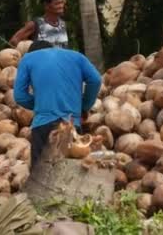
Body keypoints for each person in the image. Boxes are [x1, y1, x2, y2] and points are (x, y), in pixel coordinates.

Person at [13, 40, 101, 172]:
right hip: (71, 122)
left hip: (43, 124)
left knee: (40, 172)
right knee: (70, 171)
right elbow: (96, 80)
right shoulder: (77, 56)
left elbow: (19, 95)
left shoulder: (28, 58)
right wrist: (84, 106)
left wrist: (40, 104)